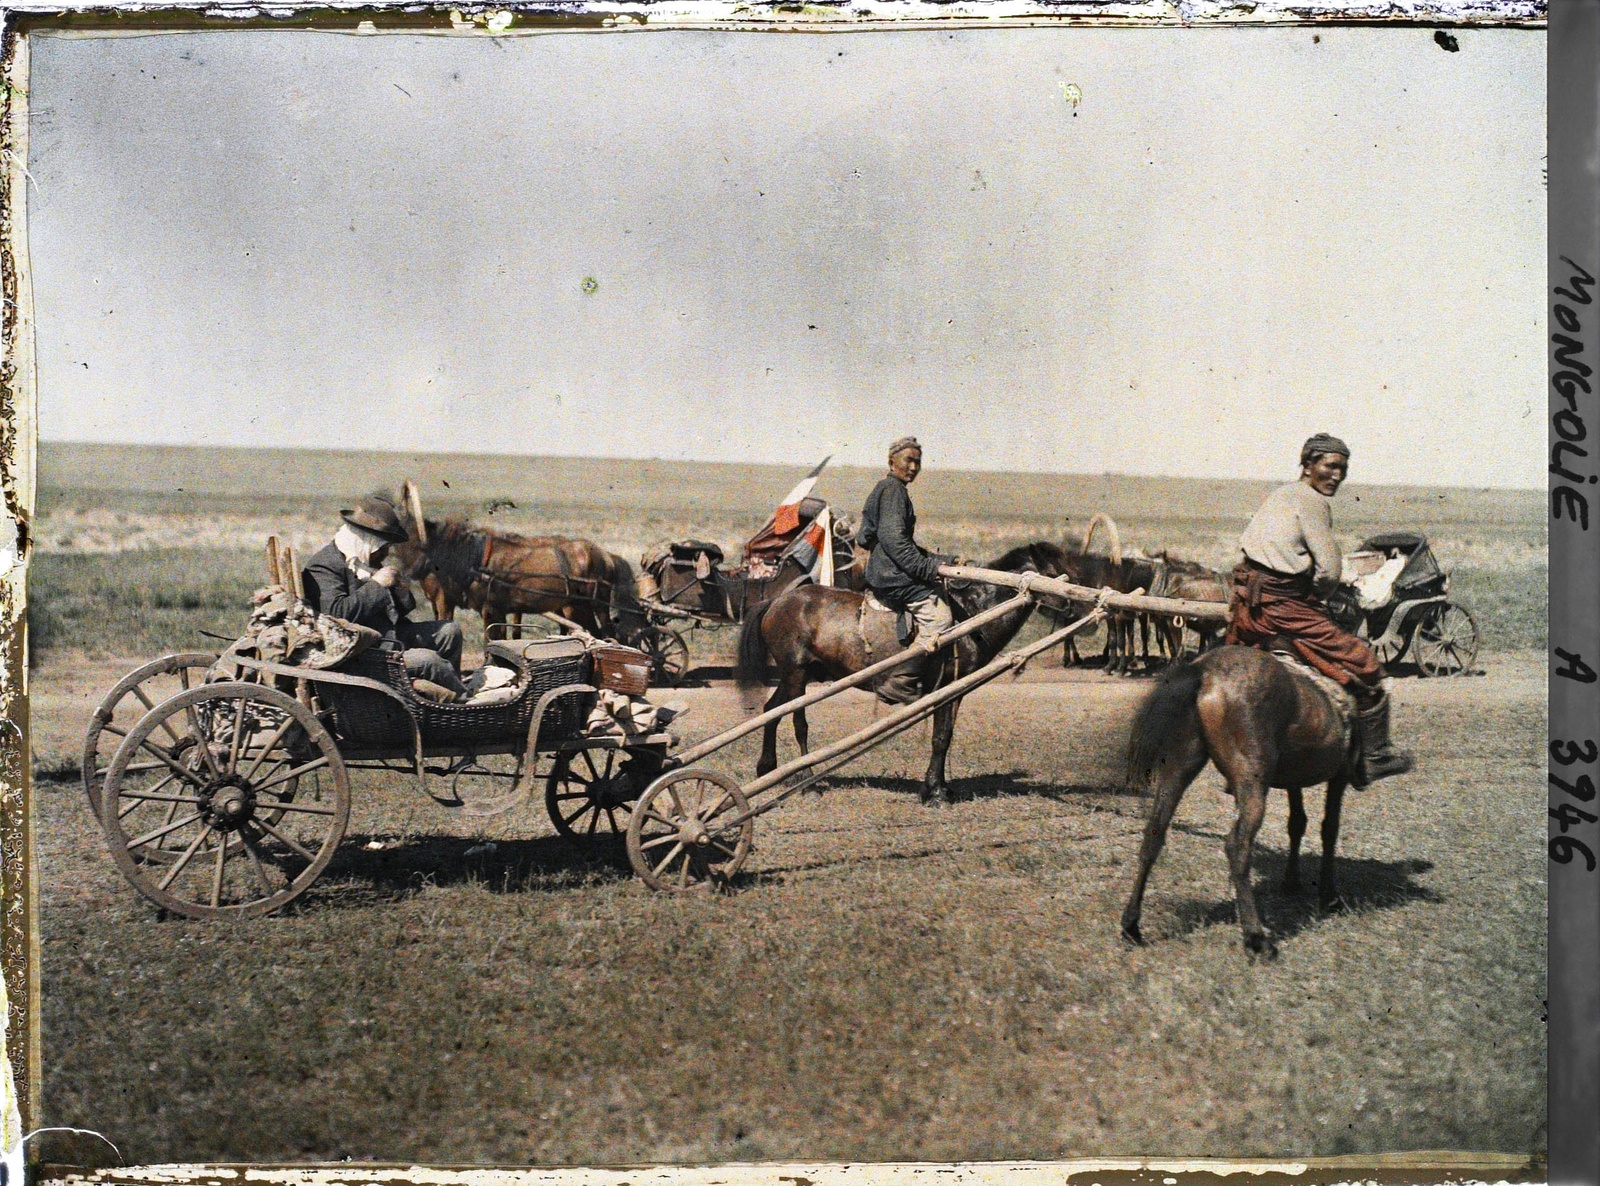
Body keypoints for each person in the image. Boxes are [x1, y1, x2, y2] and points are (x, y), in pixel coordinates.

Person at [1226, 433, 1413, 784]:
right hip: (1285, 604)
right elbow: (1329, 568)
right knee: (1363, 661)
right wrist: (1319, 590)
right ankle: (1374, 756)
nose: (1338, 476)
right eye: (1330, 466)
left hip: (1249, 602)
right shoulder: (1312, 501)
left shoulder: (1282, 494)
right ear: (1308, 464)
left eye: (1343, 469)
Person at [302, 495, 469, 699]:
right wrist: (376, 585)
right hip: (360, 654)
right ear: (367, 541)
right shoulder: (324, 566)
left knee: (449, 631)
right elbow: (336, 614)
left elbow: (395, 610)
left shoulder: (363, 559)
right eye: (383, 547)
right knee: (429, 660)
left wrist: (401, 593)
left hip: (389, 637)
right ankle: (463, 703)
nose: (386, 553)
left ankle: (438, 699)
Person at [857, 436, 955, 704]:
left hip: (883, 568)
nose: (913, 467)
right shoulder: (894, 492)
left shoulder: (883, 488)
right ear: (892, 462)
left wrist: (941, 559)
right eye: (908, 460)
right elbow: (896, 541)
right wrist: (927, 568)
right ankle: (901, 681)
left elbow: (865, 536)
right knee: (941, 619)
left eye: (918, 462)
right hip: (891, 574)